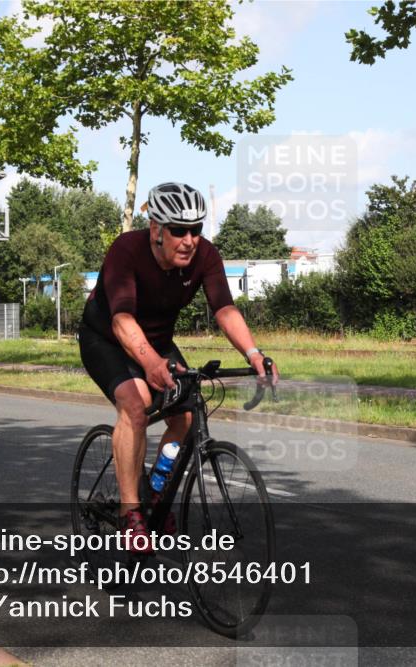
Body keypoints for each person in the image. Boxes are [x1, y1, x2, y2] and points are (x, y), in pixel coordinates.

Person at [78, 182, 279, 553]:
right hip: (106, 337)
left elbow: (224, 308)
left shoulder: (205, 256)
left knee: (187, 412)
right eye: (179, 231)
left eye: (197, 230)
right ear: (156, 229)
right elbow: (122, 319)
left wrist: (253, 354)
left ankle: (156, 489)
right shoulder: (126, 251)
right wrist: (150, 363)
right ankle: (131, 515)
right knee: (136, 403)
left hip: (156, 341)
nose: (189, 240)